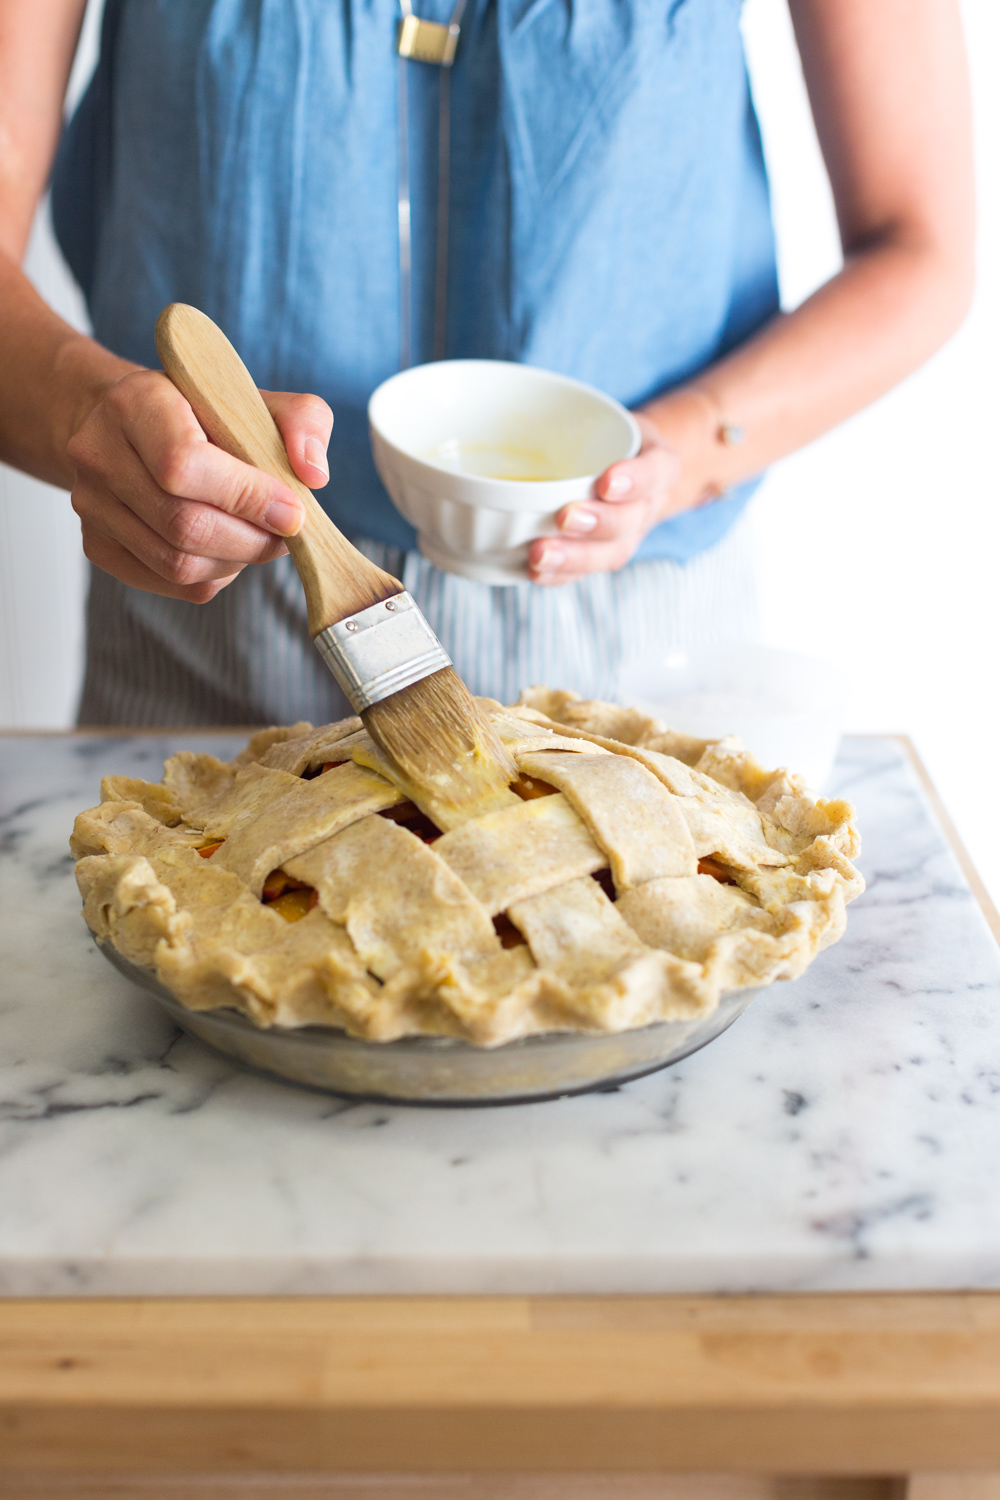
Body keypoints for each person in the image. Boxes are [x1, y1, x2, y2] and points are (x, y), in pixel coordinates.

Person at [0, 0, 974, 726]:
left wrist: (675, 453)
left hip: (644, 664)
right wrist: (89, 412)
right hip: (204, 640)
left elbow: (919, 245)